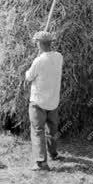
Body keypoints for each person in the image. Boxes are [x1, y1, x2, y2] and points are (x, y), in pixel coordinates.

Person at [24, 31, 64, 171]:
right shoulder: (59, 57)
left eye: (37, 42)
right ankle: (53, 154)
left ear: (39, 44)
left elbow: (29, 77)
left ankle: (41, 162)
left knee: (37, 130)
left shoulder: (39, 61)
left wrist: (32, 65)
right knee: (52, 130)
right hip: (53, 101)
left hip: (38, 102)